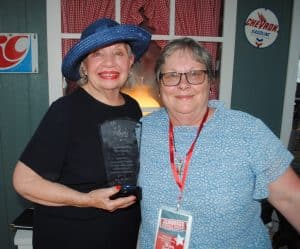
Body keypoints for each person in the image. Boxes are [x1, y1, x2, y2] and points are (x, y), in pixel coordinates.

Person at [137, 37, 300, 249]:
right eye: (171, 75)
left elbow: (291, 198)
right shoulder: (143, 131)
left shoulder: (247, 131)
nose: (183, 84)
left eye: (195, 74)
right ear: (159, 85)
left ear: (210, 82)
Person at [12, 18, 151, 249]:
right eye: (97, 54)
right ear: (84, 65)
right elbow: (24, 182)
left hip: (123, 235)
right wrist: (86, 200)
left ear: (130, 60)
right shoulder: (65, 111)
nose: (109, 63)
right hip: (72, 237)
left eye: (118, 53)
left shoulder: (132, 107)